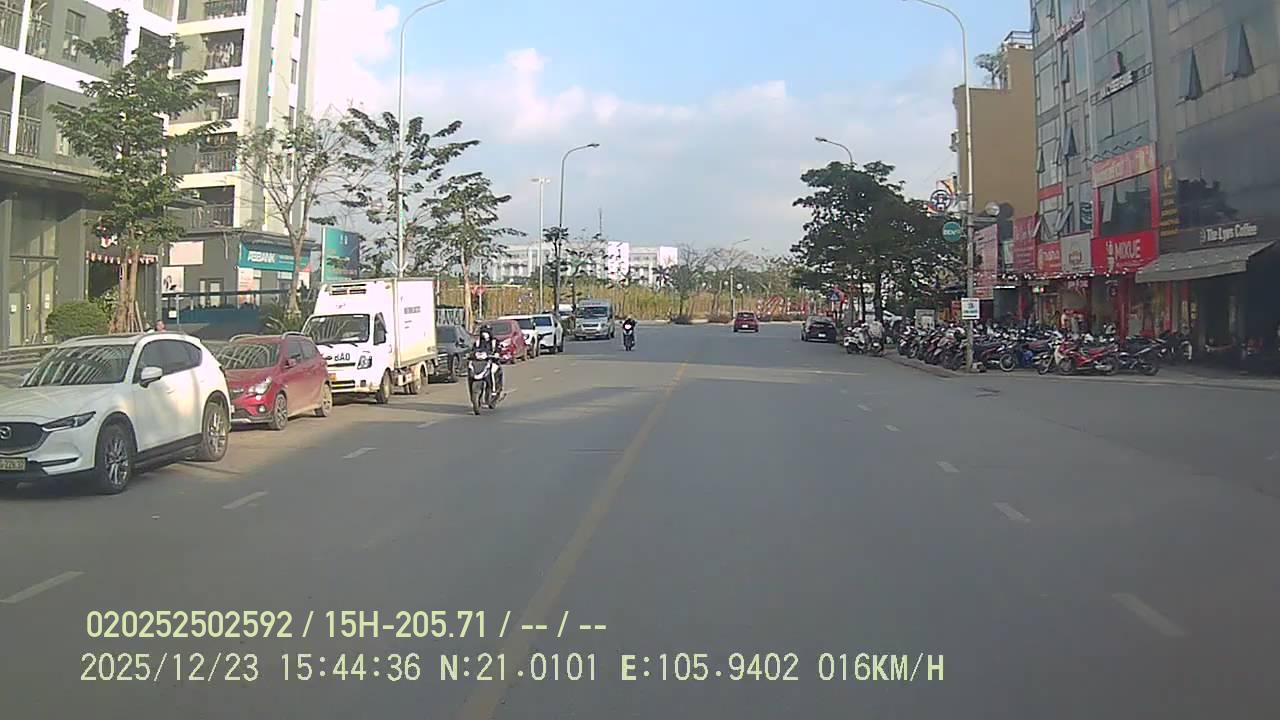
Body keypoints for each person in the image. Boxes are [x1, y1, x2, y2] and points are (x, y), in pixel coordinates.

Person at [472, 324, 503, 393]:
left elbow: (499, 349)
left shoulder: (494, 341)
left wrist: (497, 353)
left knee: (492, 371)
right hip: (479, 363)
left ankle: (494, 390)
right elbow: (473, 350)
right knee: (471, 369)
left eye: (486, 332)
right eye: (483, 332)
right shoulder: (477, 342)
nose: (484, 334)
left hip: (492, 361)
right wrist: (473, 354)